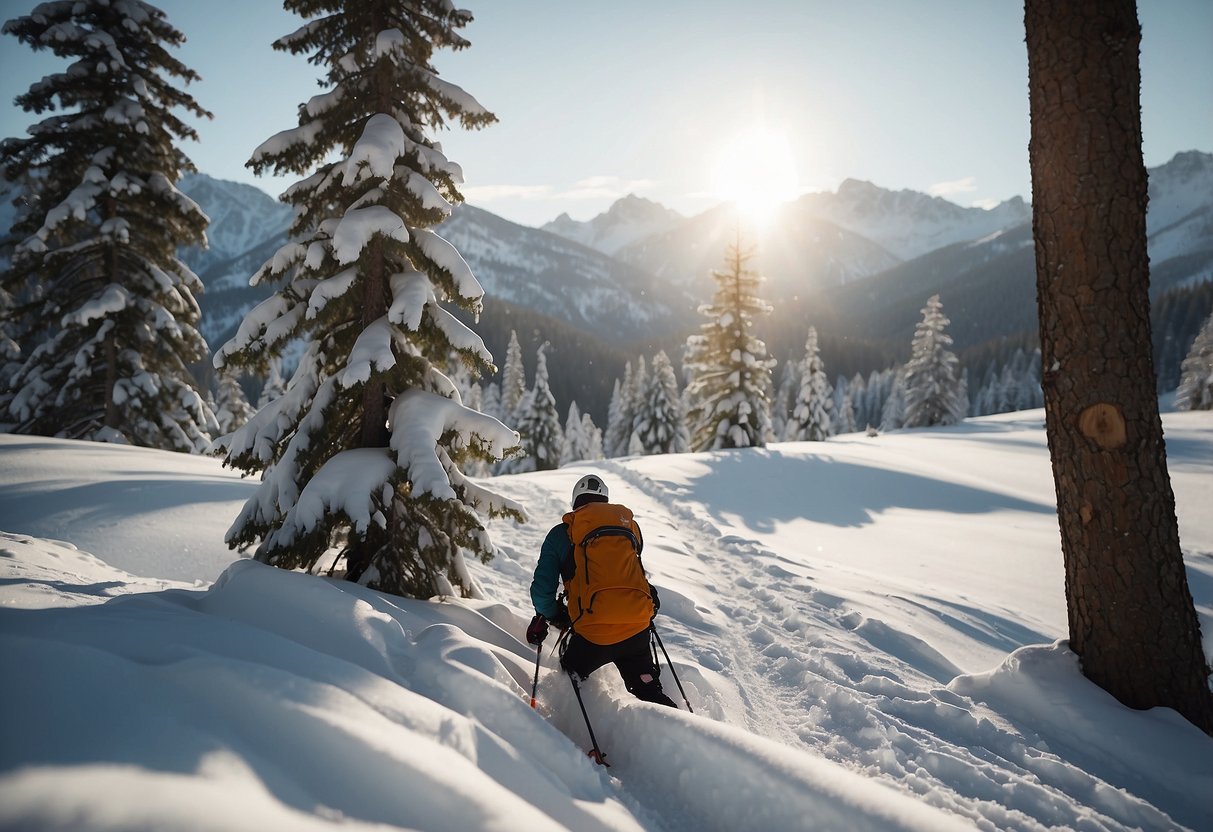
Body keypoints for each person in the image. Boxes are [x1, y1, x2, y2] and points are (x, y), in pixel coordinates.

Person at [527, 474, 677, 708]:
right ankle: (676, 726)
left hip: (591, 635)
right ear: (605, 501)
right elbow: (628, 572)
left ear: (575, 503)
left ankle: (571, 733)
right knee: (648, 690)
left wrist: (556, 616)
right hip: (637, 629)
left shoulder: (561, 534)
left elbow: (541, 593)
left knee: (570, 680)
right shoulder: (629, 527)